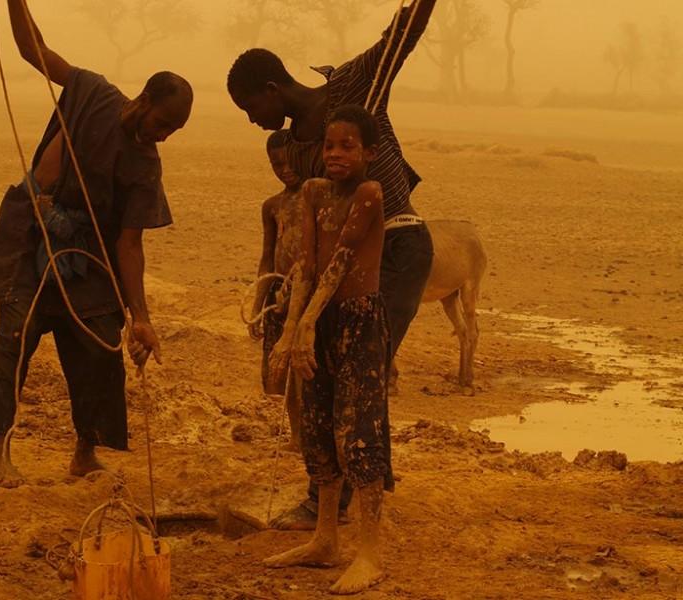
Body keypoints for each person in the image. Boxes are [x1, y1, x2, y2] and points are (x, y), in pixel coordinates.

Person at [227, 0, 436, 529]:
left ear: (271, 89)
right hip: (338, 266)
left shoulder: (348, 89)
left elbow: (401, 37)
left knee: (357, 374)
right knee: (326, 374)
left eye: (251, 110)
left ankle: (344, 501)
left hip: (394, 246)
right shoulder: (296, 151)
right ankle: (347, 486)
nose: (254, 123)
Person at [0, 0, 192, 488]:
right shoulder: (91, 90)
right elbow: (34, 50)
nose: (164, 137)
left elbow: (130, 244)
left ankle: (84, 455)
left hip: (90, 256)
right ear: (145, 100)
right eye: (162, 125)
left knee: (99, 349)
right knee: (14, 340)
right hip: (32, 234)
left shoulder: (146, 165)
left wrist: (141, 317)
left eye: (173, 131)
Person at [264, 105, 391, 595]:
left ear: (368, 153)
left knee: (358, 432)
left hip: (358, 322)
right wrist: (293, 327)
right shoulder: (313, 193)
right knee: (316, 425)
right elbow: (308, 265)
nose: (336, 155)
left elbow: (341, 262)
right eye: (330, 146)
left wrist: (305, 326)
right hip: (317, 318)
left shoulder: (369, 194)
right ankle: (325, 540)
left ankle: (369, 552)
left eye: (348, 146)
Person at [248, 130, 303, 451]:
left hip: (306, 293)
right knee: (279, 372)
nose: (283, 169)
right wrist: (258, 304)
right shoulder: (272, 206)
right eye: (275, 164)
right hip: (278, 294)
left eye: (288, 161)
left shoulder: (317, 197)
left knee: (304, 368)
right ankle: (292, 433)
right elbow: (267, 256)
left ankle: (304, 437)